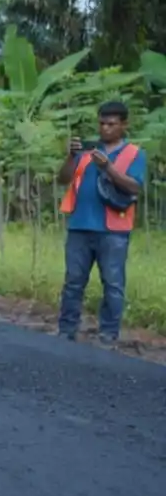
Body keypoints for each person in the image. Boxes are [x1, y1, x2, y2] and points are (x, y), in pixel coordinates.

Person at [56, 101, 147, 344]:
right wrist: (71, 156)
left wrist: (108, 167)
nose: (105, 128)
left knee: (113, 284)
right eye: (102, 123)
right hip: (80, 226)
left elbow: (135, 186)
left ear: (124, 125)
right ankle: (66, 331)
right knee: (73, 281)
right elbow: (63, 179)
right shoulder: (87, 151)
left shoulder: (134, 154)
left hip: (113, 230)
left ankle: (108, 334)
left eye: (111, 124)